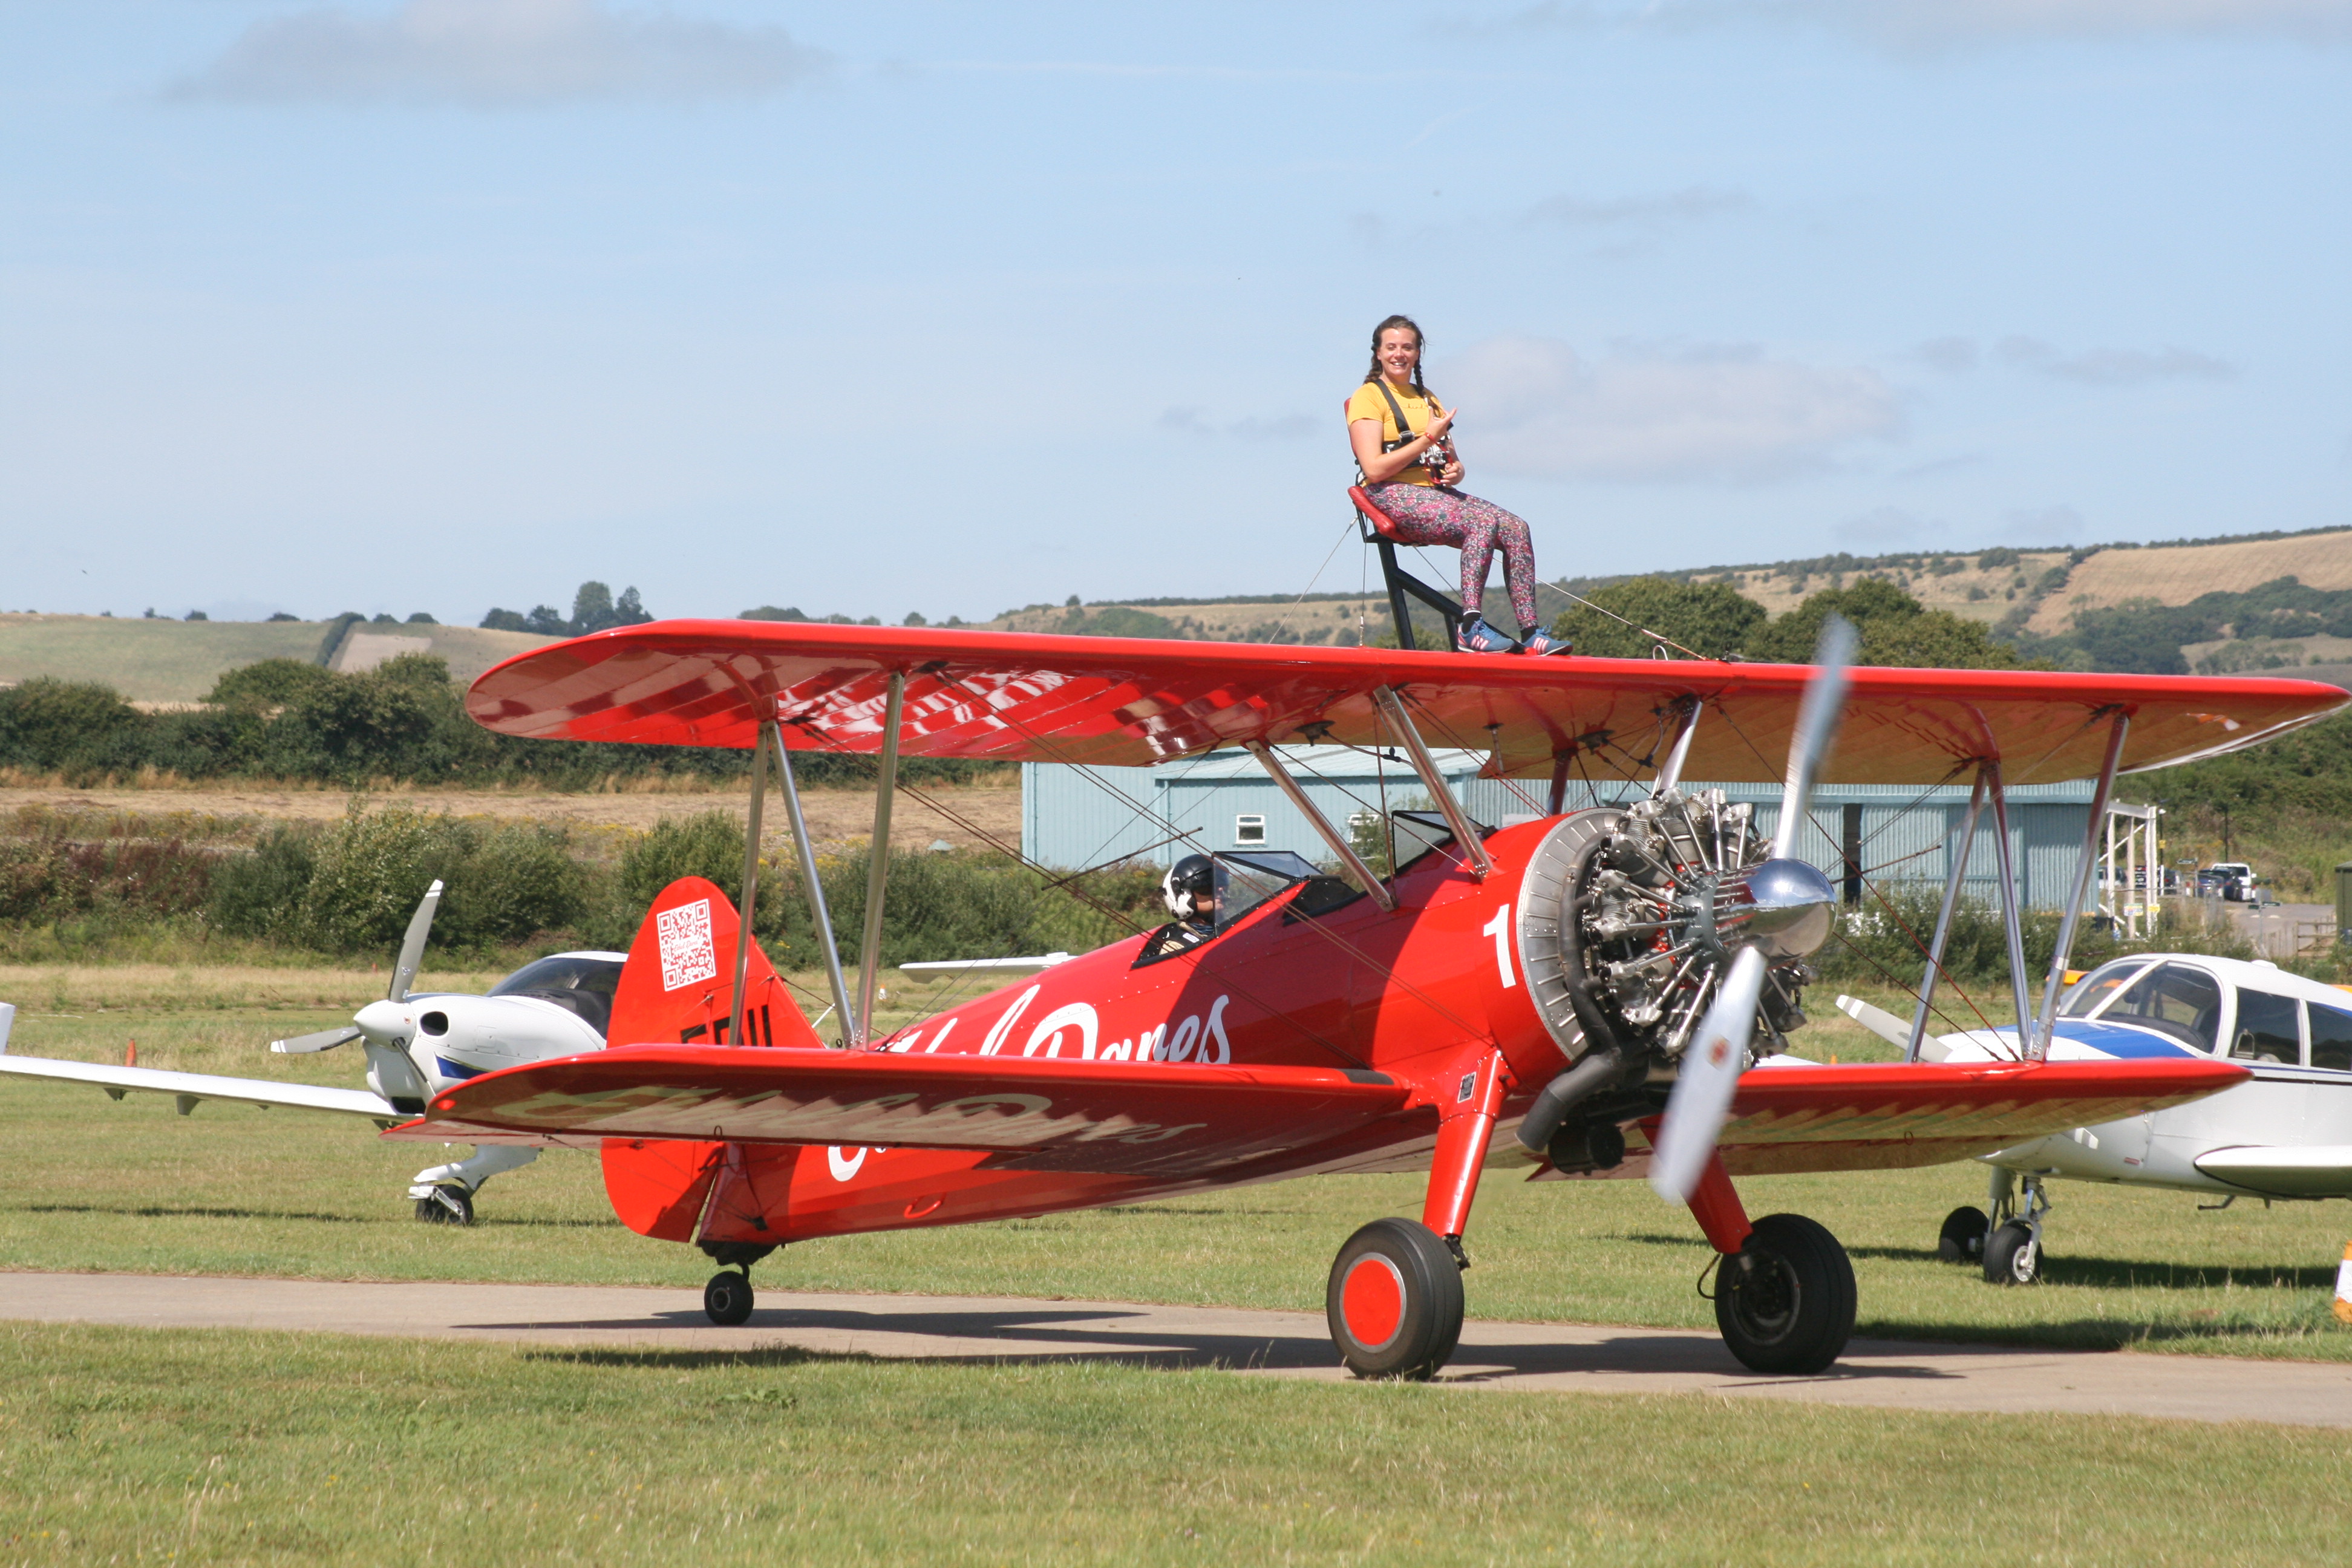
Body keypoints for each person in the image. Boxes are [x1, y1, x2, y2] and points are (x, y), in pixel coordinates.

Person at [1346, 315, 1567, 655]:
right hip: (1391, 493)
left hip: (1435, 492)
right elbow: (1374, 469)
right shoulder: (1368, 397)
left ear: (1418, 353)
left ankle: (1532, 632)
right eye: (1391, 347)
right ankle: (1470, 626)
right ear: (1378, 353)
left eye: (1407, 347)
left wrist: (1457, 471)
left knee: (1515, 527)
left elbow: (1451, 457)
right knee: (1482, 522)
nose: (1399, 354)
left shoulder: (1427, 398)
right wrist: (1426, 439)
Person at [1138, 855, 1218, 962]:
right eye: (1206, 887)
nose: (1219, 890)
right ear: (1184, 897)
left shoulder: (1226, 932)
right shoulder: (1176, 947)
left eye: (1220, 884)